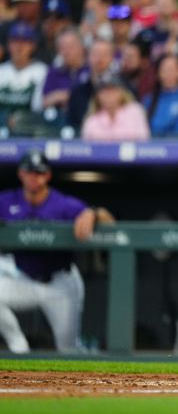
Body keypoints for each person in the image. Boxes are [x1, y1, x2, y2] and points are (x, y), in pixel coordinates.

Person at [0, 149, 114, 353]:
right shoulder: (8, 200)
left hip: (60, 283)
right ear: (21, 174)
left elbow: (110, 222)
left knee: (68, 350)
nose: (34, 177)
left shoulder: (62, 204)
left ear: (48, 175)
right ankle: (19, 349)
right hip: (24, 279)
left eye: (39, 172)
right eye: (30, 172)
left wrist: (93, 213)